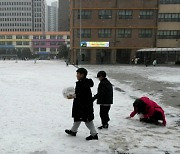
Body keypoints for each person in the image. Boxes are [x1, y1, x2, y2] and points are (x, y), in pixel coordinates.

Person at [65, 68, 98, 140]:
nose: (76, 75)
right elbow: (79, 94)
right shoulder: (81, 82)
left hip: (84, 106)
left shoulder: (84, 84)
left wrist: (73, 96)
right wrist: (74, 95)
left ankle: (94, 134)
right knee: (78, 118)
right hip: (80, 105)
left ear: (82, 75)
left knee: (87, 120)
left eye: (78, 74)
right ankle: (73, 131)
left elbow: (83, 95)